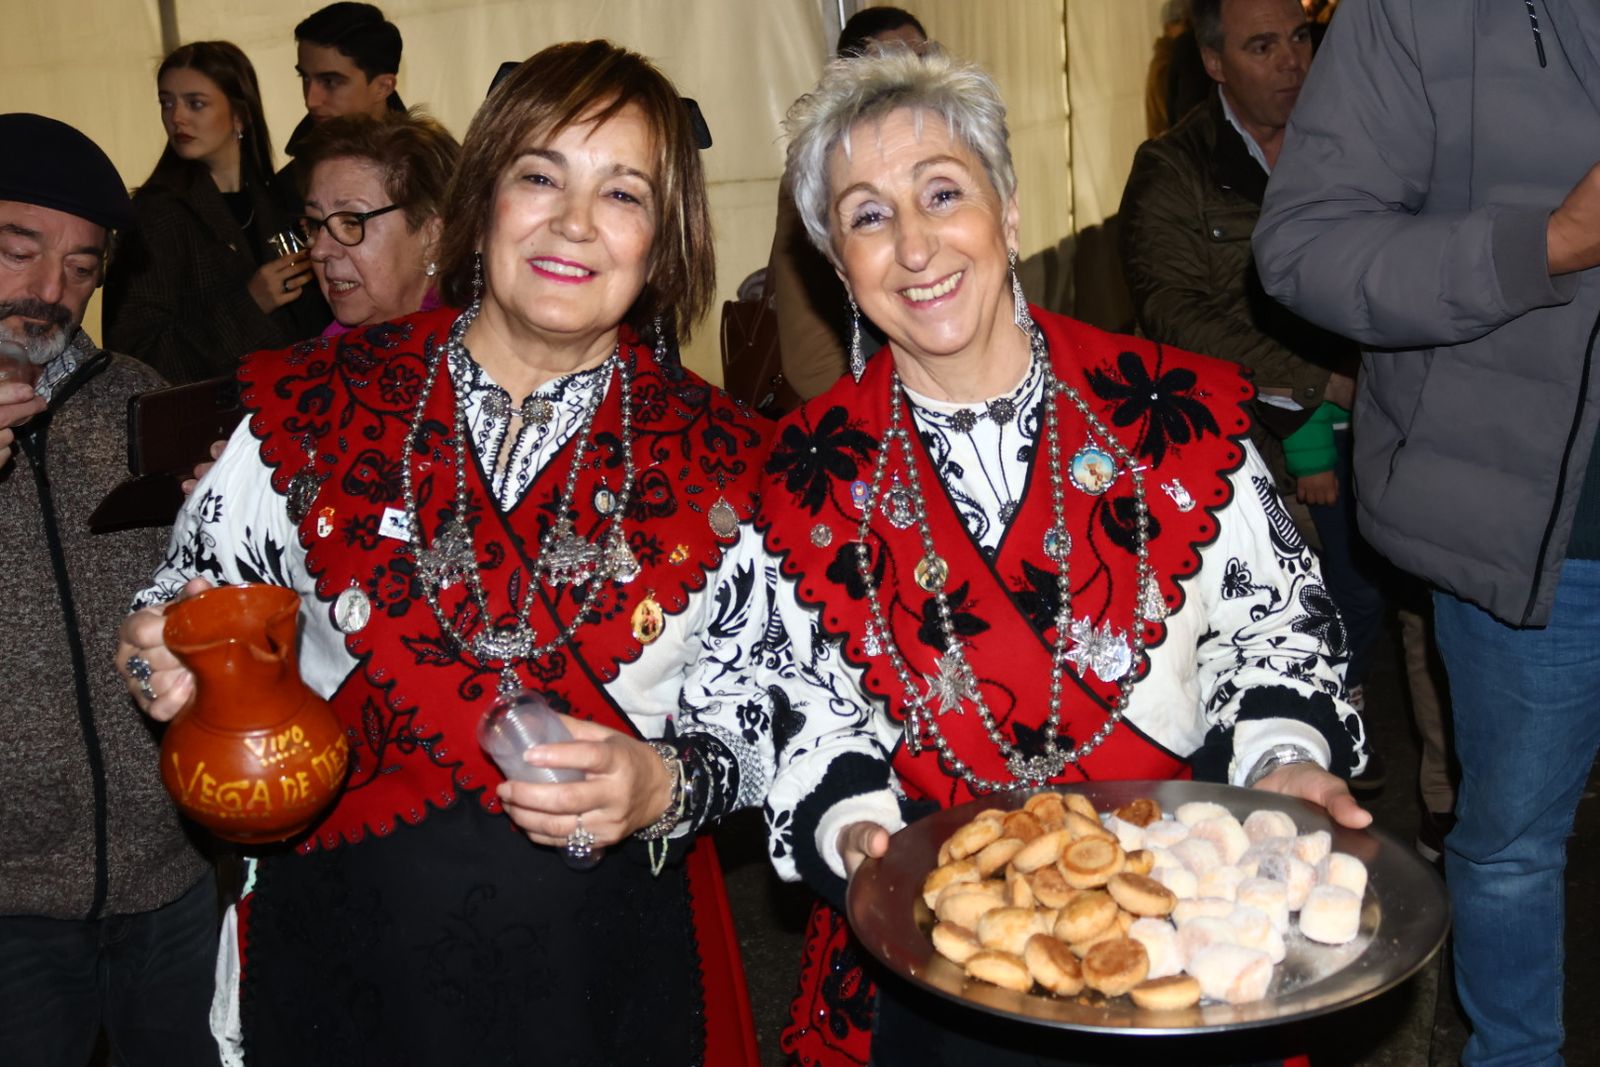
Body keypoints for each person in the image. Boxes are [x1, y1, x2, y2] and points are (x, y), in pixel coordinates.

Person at [114, 40, 771, 1065]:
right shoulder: (316, 406)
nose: (572, 222)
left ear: (668, 237)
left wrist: (664, 785)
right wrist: (165, 649)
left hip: (596, 979)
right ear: (483, 199)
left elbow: (769, 712)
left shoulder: (728, 460)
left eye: (623, 193)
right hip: (344, 957)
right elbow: (186, 585)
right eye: (540, 175)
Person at [755, 45, 1368, 1065]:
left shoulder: (1176, 413)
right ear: (837, 266)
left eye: (940, 193)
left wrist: (1285, 758)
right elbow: (791, 701)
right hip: (943, 951)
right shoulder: (805, 479)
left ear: (1007, 210)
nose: (913, 246)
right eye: (867, 216)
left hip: (1186, 921)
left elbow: (1273, 632)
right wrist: (859, 832)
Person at [1253, 2, 1600, 1063]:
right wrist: (1548, 244)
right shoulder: (1419, 14)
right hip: (1542, 529)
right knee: (1509, 847)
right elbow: (1302, 250)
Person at [1120, 0, 1414, 798]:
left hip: (1384, 420)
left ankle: (1443, 798)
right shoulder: (1174, 169)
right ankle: (1290, 751)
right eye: (1262, 46)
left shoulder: (1364, 144)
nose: (1292, 61)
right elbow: (1174, 317)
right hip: (1252, 449)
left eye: (1299, 37)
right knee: (1298, 610)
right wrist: (1324, 380)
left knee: (1405, 602)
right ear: (1216, 63)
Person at [0, 113, 217, 1067]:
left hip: (171, 874)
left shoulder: (138, 397)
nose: (52, 293)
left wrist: (222, 510)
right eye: (18, 252)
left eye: (83, 268)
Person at [105, 41, 323, 384]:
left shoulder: (280, 201)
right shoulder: (155, 215)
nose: (176, 117)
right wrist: (251, 305)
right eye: (166, 102)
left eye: (196, 103)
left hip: (293, 406)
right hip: (208, 426)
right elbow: (134, 358)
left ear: (241, 115)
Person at [765, 5, 926, 402]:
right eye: (891, 61)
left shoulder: (959, 150)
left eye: (923, 58)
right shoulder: (821, 175)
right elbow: (808, 357)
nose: (911, 76)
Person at [295, 108, 458, 333]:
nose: (319, 251)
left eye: (351, 223)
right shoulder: (322, 355)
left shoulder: (478, 352)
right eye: (315, 224)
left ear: (432, 237)